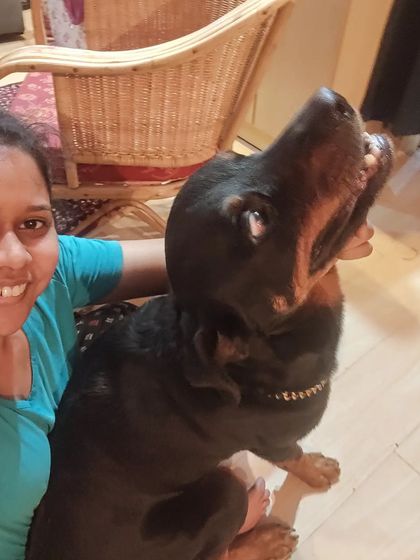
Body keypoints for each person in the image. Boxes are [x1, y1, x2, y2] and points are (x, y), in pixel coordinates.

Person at [0, 110, 375, 559]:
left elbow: (196, 261)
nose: (14, 258)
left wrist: (300, 241)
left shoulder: (53, 269)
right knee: (229, 497)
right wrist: (226, 525)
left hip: (80, 462)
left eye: (32, 223)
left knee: (124, 320)